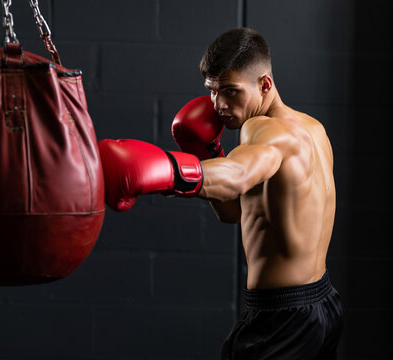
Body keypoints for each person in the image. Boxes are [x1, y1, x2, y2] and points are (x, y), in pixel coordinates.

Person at [98, 27, 343, 359]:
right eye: (212, 92)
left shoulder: (264, 130)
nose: (219, 105)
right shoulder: (313, 128)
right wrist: (208, 154)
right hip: (322, 304)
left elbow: (238, 175)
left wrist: (166, 171)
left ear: (265, 84)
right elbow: (236, 213)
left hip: (281, 319)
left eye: (230, 91)